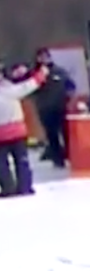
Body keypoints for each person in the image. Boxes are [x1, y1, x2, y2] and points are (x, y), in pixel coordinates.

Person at [1, 60, 48, 197]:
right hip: (17, 131)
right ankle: (25, 186)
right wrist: (40, 75)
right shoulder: (11, 89)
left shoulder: (11, 90)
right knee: (22, 162)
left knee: (2, 165)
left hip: (3, 134)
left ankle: (7, 187)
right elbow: (28, 86)